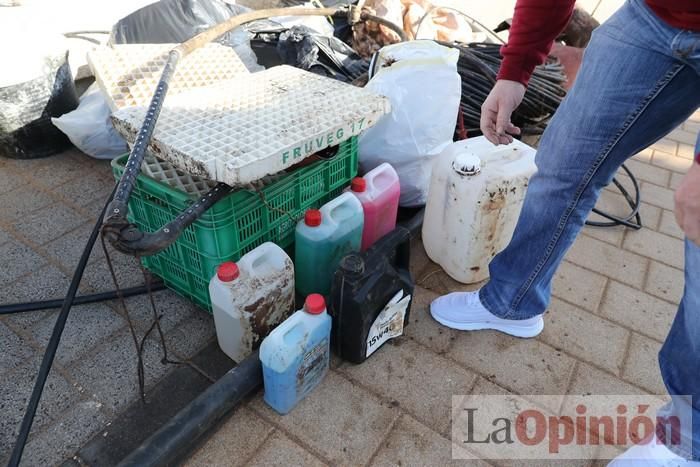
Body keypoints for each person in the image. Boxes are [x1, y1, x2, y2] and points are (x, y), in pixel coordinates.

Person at [429, 0, 700, 465]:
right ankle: (513, 302)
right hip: (657, 16)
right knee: (562, 166)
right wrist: (514, 72)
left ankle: (688, 438)